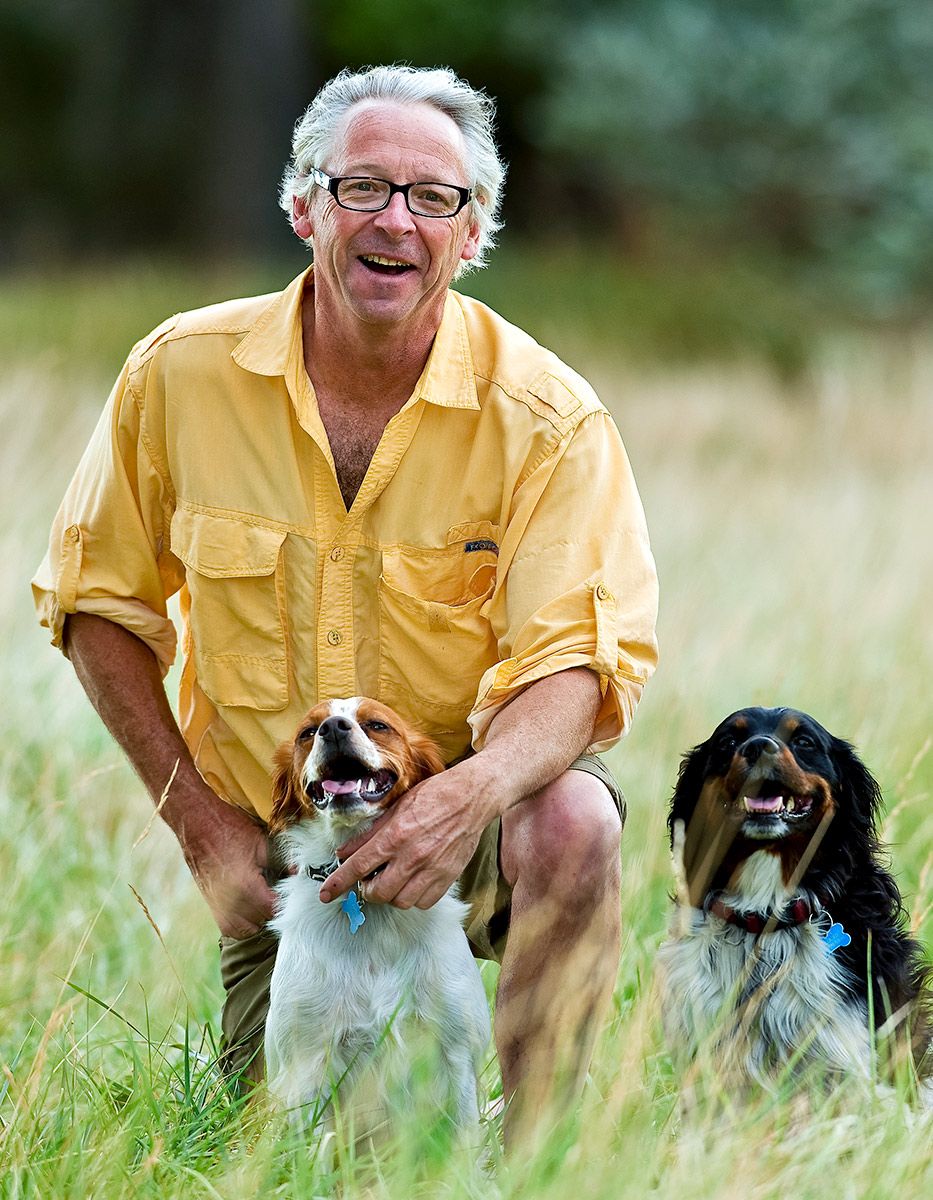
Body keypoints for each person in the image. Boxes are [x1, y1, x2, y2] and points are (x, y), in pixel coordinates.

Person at [32, 65, 658, 1147]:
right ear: (303, 206)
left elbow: (578, 667)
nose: (396, 222)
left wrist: (467, 798)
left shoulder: (550, 418)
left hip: (470, 823)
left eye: (435, 199)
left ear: (473, 236)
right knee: (272, 1151)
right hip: (289, 849)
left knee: (572, 817)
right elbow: (99, 606)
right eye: (363, 187)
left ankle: (539, 1155)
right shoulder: (178, 375)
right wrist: (201, 828)